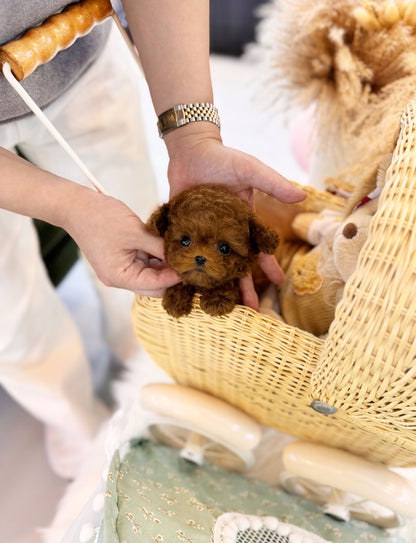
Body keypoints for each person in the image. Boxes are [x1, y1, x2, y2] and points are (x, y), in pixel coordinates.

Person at [0, 0, 305, 479]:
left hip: (79, 61)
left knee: (139, 246)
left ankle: (142, 357)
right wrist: (70, 207)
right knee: (9, 313)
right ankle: (67, 411)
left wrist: (194, 139)